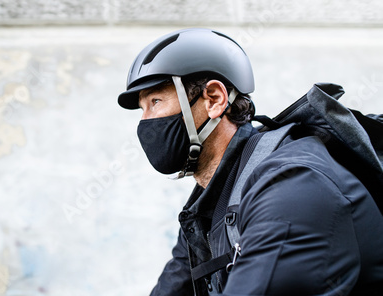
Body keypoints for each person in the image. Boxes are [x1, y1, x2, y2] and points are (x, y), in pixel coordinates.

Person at [117, 28, 383, 295]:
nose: (145, 123)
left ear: (214, 99)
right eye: (143, 109)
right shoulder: (210, 202)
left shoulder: (291, 185)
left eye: (156, 101)